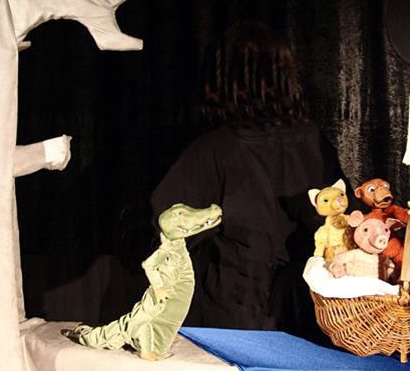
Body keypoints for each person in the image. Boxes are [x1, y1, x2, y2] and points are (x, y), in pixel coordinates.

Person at [149, 21, 348, 343]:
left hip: (237, 318)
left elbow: (162, 229)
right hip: (311, 317)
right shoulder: (313, 140)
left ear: (223, 77)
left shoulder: (216, 149)